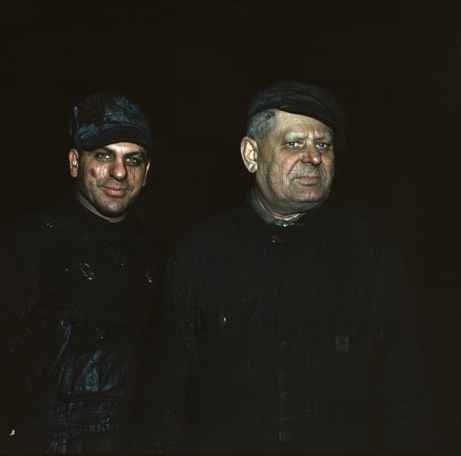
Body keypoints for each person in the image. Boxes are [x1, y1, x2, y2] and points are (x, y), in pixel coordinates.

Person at [138, 81, 435, 453]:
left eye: (323, 145)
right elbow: (164, 398)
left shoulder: (368, 252)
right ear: (251, 154)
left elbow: (404, 394)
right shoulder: (198, 253)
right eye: (294, 143)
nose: (313, 157)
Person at [0, 91, 160, 453]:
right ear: (74, 163)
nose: (118, 172)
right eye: (103, 155)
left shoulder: (157, 260)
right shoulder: (25, 244)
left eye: (133, 159)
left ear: (147, 172)